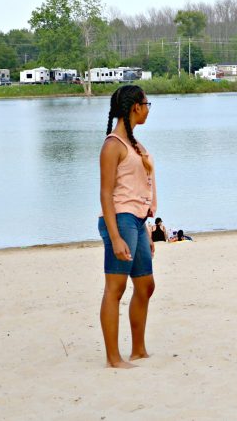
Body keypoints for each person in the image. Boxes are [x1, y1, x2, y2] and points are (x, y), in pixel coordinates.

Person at [98, 84, 157, 369]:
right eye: (147, 104)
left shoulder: (135, 145)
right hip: (120, 220)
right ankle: (113, 358)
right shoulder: (113, 145)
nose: (148, 109)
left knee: (146, 286)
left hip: (136, 221)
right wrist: (115, 235)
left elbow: (139, 191)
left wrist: (145, 227)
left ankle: (138, 350)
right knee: (115, 288)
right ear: (136, 106)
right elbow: (106, 194)